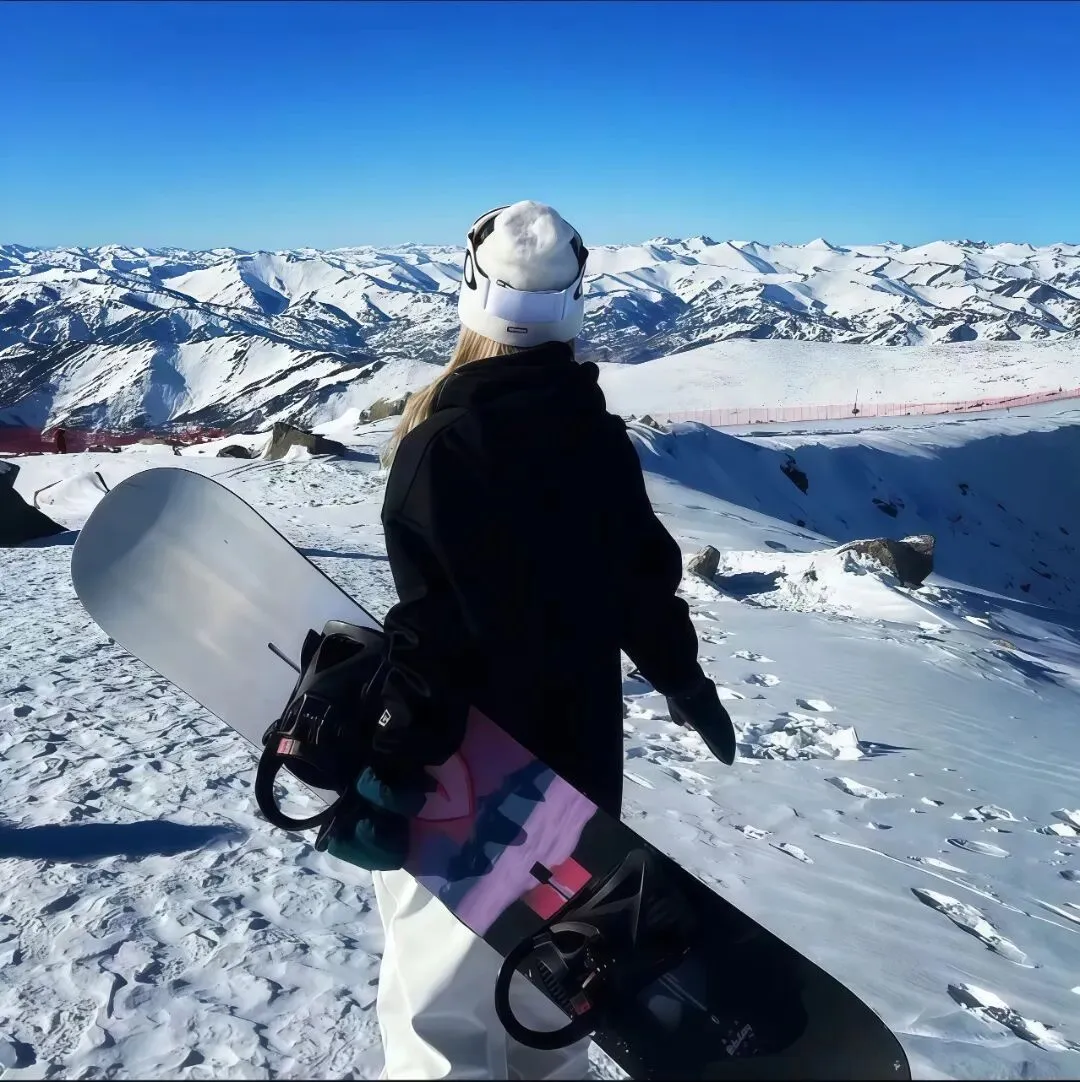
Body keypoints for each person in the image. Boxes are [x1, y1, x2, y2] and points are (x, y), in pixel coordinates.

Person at [327, 201, 734, 1080]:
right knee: (548, 1018)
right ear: (573, 303)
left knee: (442, 1027)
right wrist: (681, 677)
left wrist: (390, 757)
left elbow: (436, 630)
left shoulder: (441, 445)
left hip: (462, 788)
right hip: (575, 783)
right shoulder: (595, 439)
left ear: (471, 293)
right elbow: (640, 584)